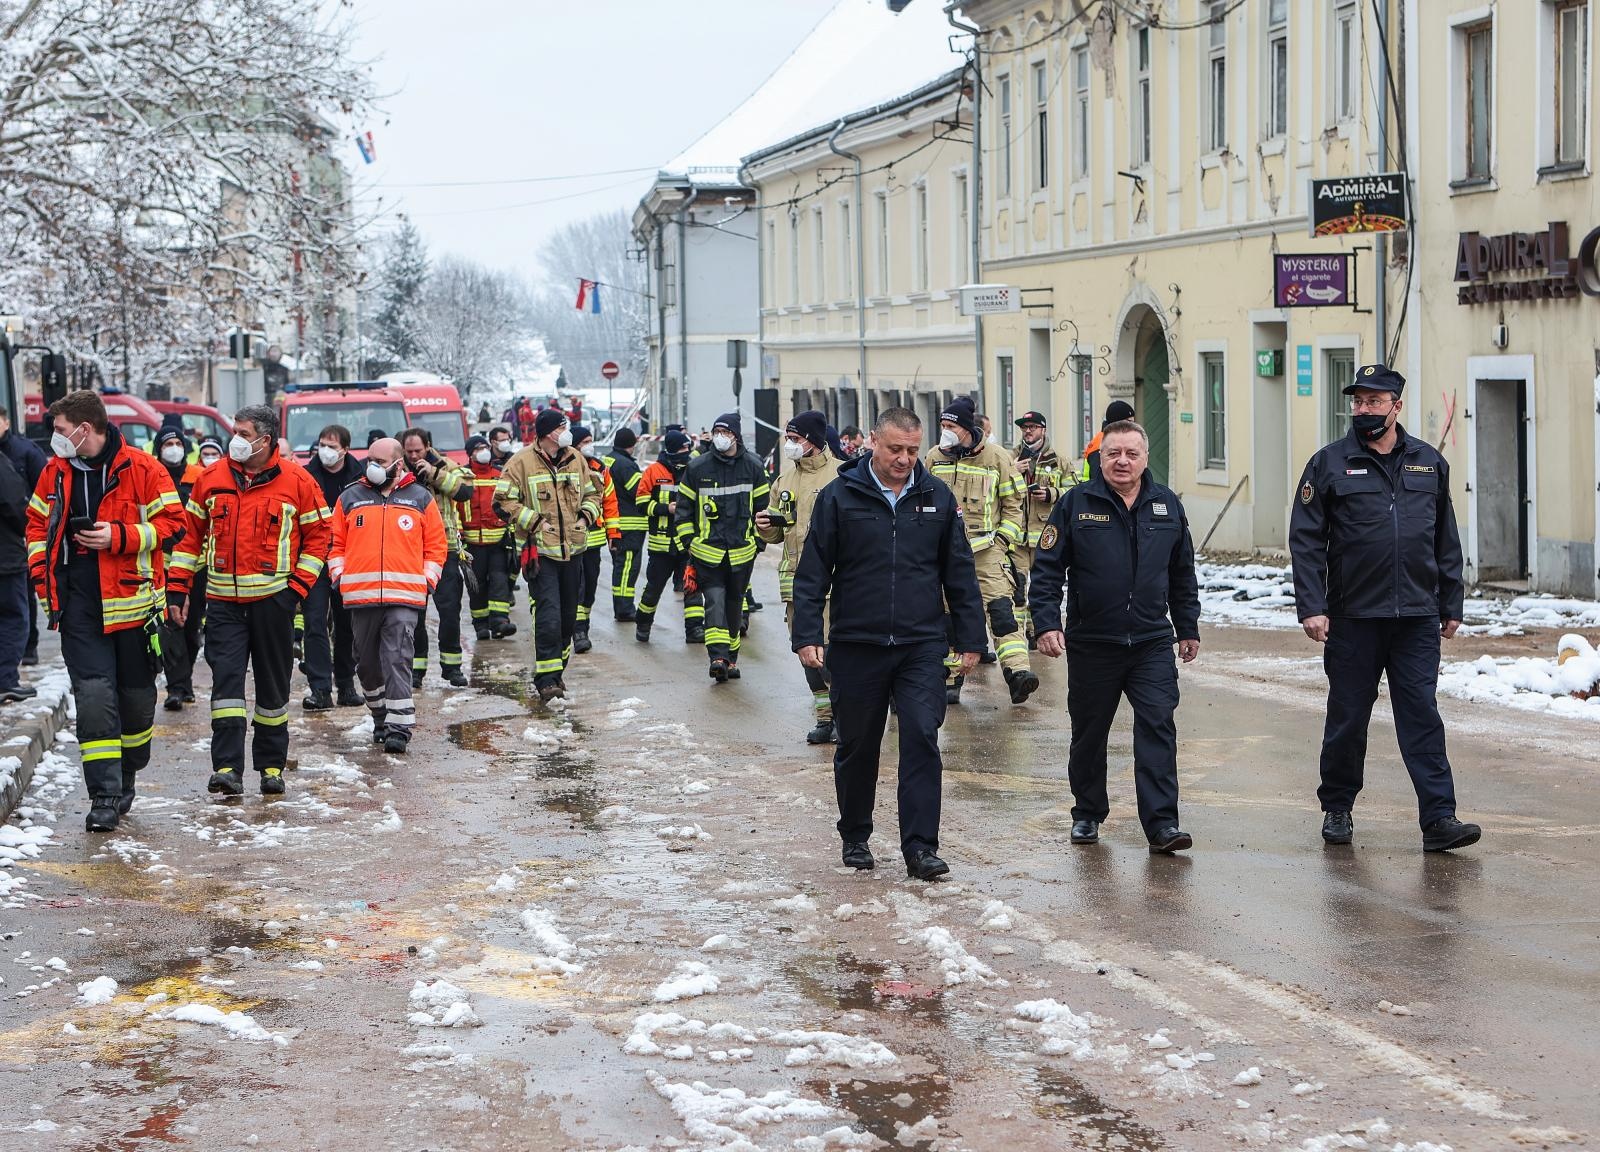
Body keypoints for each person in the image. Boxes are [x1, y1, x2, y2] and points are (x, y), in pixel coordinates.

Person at [1288, 364, 1480, 853]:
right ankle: (1338, 807)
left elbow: (1445, 539)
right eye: (1358, 401)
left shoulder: (1428, 463)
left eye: (1374, 402)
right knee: (1349, 716)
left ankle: (1439, 819)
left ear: (1397, 406)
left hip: (1416, 616)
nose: (1364, 410)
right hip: (1353, 616)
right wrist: (1312, 605)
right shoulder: (1328, 464)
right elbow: (1306, 542)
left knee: (1421, 715)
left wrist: (1450, 601)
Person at [791, 407, 985, 881]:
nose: (904, 459)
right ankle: (855, 834)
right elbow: (814, 569)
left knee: (922, 737)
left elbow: (958, 570)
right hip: (858, 642)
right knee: (858, 745)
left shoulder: (936, 496)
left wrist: (970, 638)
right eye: (895, 448)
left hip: (921, 643)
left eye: (913, 450)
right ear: (873, 441)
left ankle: (921, 847)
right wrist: (807, 634)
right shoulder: (840, 496)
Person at [1029, 420, 1201, 854]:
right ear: (1100, 457)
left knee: (1158, 727)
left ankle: (1162, 824)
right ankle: (1087, 813)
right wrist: (1047, 622)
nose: (1122, 461)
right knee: (1090, 732)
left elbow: (1182, 574)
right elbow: (1047, 569)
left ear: (1145, 458)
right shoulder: (1075, 504)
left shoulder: (1166, 506)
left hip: (1150, 643)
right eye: (1113, 453)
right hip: (1093, 643)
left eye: (1131, 454)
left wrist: (1188, 627)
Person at [26, 390, 184, 830]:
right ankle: (104, 795)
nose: (53, 437)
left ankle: (128, 771)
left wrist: (120, 537)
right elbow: (36, 526)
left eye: (59, 429)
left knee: (135, 705)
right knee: (94, 700)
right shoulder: (54, 472)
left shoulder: (143, 468)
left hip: (134, 608)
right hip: (79, 606)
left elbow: (175, 525)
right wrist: (42, 577)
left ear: (85, 429)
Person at [170, 405, 331, 799]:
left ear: (265, 440)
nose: (236, 440)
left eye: (244, 433)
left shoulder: (298, 481)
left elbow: (320, 537)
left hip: (273, 604)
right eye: (235, 431)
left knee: (273, 691)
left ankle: (271, 767)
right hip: (222, 604)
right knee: (225, 688)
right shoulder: (210, 479)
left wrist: (296, 589)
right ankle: (227, 768)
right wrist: (177, 587)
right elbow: (190, 539)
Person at [330, 438, 447, 753]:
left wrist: (426, 582)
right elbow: (335, 545)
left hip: (404, 598)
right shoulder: (350, 497)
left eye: (379, 462)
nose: (372, 467)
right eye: (370, 460)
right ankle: (381, 715)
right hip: (359, 597)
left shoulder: (420, 498)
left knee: (396, 658)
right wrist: (339, 577)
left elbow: (436, 546)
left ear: (398, 464)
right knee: (366, 664)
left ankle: (399, 727)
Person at [925, 396, 1038, 706]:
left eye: (950, 426)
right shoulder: (935, 457)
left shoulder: (997, 458)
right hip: (944, 555)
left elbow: (1015, 507)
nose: (944, 431)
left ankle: (1018, 674)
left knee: (1002, 612)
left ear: (965, 428)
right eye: (942, 425)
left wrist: (1002, 544)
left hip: (987, 551)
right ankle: (951, 680)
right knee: (948, 616)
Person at [494, 408, 601, 703]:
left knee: (568, 619)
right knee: (549, 617)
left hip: (574, 552)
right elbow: (501, 502)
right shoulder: (520, 463)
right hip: (540, 554)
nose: (567, 430)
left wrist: (584, 518)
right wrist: (536, 522)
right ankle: (546, 680)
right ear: (547, 433)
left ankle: (556, 671)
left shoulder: (575, 458)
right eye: (562, 426)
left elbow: (595, 493)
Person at [756, 411, 840, 744]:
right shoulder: (784, 481)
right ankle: (824, 717)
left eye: (796, 439)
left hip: (837, 585)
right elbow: (778, 535)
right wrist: (767, 528)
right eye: (788, 439)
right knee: (807, 654)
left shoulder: (843, 475)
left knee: (835, 654)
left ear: (814, 441)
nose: (790, 444)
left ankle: (845, 717)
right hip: (796, 584)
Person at [674, 413, 769, 683]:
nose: (719, 436)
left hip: (742, 554)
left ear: (736, 436)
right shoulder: (697, 468)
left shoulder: (753, 467)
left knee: (734, 607)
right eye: (716, 431)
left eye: (724, 432)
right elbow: (683, 511)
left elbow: (764, 511)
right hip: (707, 553)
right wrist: (690, 543)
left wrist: (758, 543)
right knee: (714, 602)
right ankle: (717, 657)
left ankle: (731, 658)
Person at [302, 424, 365, 710]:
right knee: (315, 622)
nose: (325, 450)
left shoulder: (360, 476)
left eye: (331, 445)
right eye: (322, 443)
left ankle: (346, 685)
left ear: (345, 449)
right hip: (314, 559)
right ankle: (320, 689)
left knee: (346, 625)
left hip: (349, 559)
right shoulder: (305, 475)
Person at [401, 426, 469, 687]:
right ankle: (416, 669)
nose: (414, 455)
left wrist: (434, 474)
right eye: (409, 451)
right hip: (410, 551)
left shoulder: (447, 465)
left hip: (446, 549)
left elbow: (464, 493)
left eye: (418, 450)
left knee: (450, 611)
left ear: (428, 446)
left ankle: (452, 668)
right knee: (415, 613)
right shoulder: (399, 470)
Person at [635, 430, 704, 644]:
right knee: (653, 589)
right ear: (672, 450)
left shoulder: (694, 470)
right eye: (683, 449)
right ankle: (643, 624)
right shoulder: (653, 472)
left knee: (692, 588)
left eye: (688, 448)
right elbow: (641, 503)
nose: (687, 452)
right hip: (661, 547)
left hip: (687, 544)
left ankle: (694, 630)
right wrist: (667, 508)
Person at [155, 426, 205, 710]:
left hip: (196, 565)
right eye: (167, 444)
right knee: (171, 624)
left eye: (177, 443)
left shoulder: (198, 477)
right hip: (162, 564)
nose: (172, 448)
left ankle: (183, 680)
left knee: (191, 626)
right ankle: (177, 687)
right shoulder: (154, 476)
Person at [1011, 411, 1066, 644]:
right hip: (1017, 538)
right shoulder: (1009, 458)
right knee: (1017, 588)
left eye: (1033, 427)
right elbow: (995, 491)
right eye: (1024, 427)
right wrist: (1013, 471)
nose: (1028, 431)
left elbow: (1073, 493)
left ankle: (1037, 630)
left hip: (1045, 537)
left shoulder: (1058, 460)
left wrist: (1051, 494)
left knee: (1042, 588)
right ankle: (1016, 635)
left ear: (1043, 430)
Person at [0, 406, 45, 666]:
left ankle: (29, 648)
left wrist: (31, 530)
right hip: (12, 542)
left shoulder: (25, 451)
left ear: (7, 422)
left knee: (25, 597)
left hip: (20, 539)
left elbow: (42, 490)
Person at [570, 424, 619, 654]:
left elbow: (609, 503)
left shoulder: (601, 468)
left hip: (594, 540)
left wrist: (614, 534)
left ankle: (582, 625)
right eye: (585, 442)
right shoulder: (566, 466)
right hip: (571, 540)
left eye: (591, 440)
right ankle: (578, 632)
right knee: (575, 586)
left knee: (589, 586)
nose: (590, 445)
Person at [461, 434, 514, 639]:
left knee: (499, 580)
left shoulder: (500, 474)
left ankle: (500, 621)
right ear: (470, 453)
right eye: (477, 448)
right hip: (471, 543)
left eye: (485, 447)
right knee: (477, 585)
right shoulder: (462, 476)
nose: (483, 451)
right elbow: (456, 507)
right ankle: (481, 624)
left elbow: (510, 502)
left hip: (499, 541)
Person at [603, 428, 647, 622]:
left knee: (620, 566)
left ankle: (622, 606)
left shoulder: (608, 459)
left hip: (615, 523)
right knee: (627, 568)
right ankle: (624, 608)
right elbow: (638, 492)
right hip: (629, 525)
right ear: (632, 444)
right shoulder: (627, 465)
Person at [0, 451, 32, 704]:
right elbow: (15, 505)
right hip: (6, 557)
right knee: (14, 618)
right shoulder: (2, 465)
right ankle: (6, 680)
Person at [1081, 400, 1135, 482]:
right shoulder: (1101, 443)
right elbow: (1097, 480)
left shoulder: (1113, 439)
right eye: (1129, 422)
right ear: (1117, 422)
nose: (1132, 426)